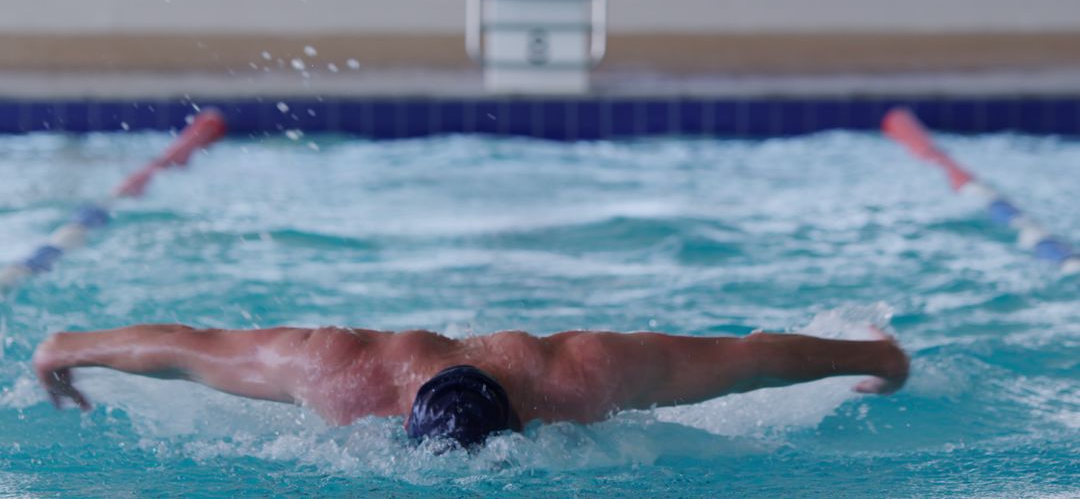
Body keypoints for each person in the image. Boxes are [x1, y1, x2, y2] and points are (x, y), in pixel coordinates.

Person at [33, 324, 909, 449]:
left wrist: (866, 353)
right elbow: (189, 350)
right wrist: (69, 347)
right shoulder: (337, 374)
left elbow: (751, 358)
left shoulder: (582, 376)